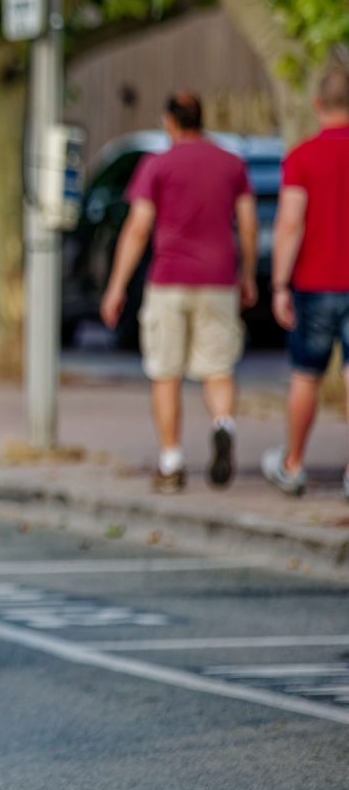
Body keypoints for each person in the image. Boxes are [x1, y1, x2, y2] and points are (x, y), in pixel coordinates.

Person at [100, 92, 257, 493]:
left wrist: (117, 285)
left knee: (166, 372)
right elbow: (248, 223)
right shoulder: (231, 163)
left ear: (170, 121)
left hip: (169, 280)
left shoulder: (158, 164)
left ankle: (171, 462)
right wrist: (249, 274)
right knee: (218, 367)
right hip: (219, 279)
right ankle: (223, 424)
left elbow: (138, 228)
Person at [261, 65, 349, 498]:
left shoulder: (302, 156)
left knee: (305, 376)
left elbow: (290, 223)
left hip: (315, 282)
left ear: (318, 104)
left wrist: (279, 283)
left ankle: (293, 463)